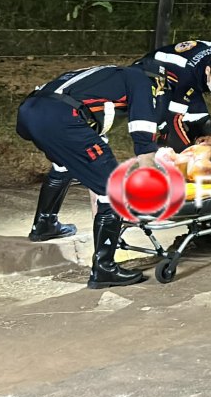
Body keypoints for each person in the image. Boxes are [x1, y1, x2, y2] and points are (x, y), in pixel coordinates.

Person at [16, 64, 164, 287]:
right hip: (62, 118)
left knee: (64, 164)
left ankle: (44, 225)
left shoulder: (106, 74)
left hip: (31, 112)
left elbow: (89, 113)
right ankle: (104, 269)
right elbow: (142, 132)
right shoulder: (142, 82)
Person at [134, 39, 211, 151]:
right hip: (148, 73)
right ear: (208, 70)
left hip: (180, 76)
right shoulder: (188, 75)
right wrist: (188, 149)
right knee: (172, 133)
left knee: (204, 124)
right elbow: (174, 117)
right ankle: (163, 153)